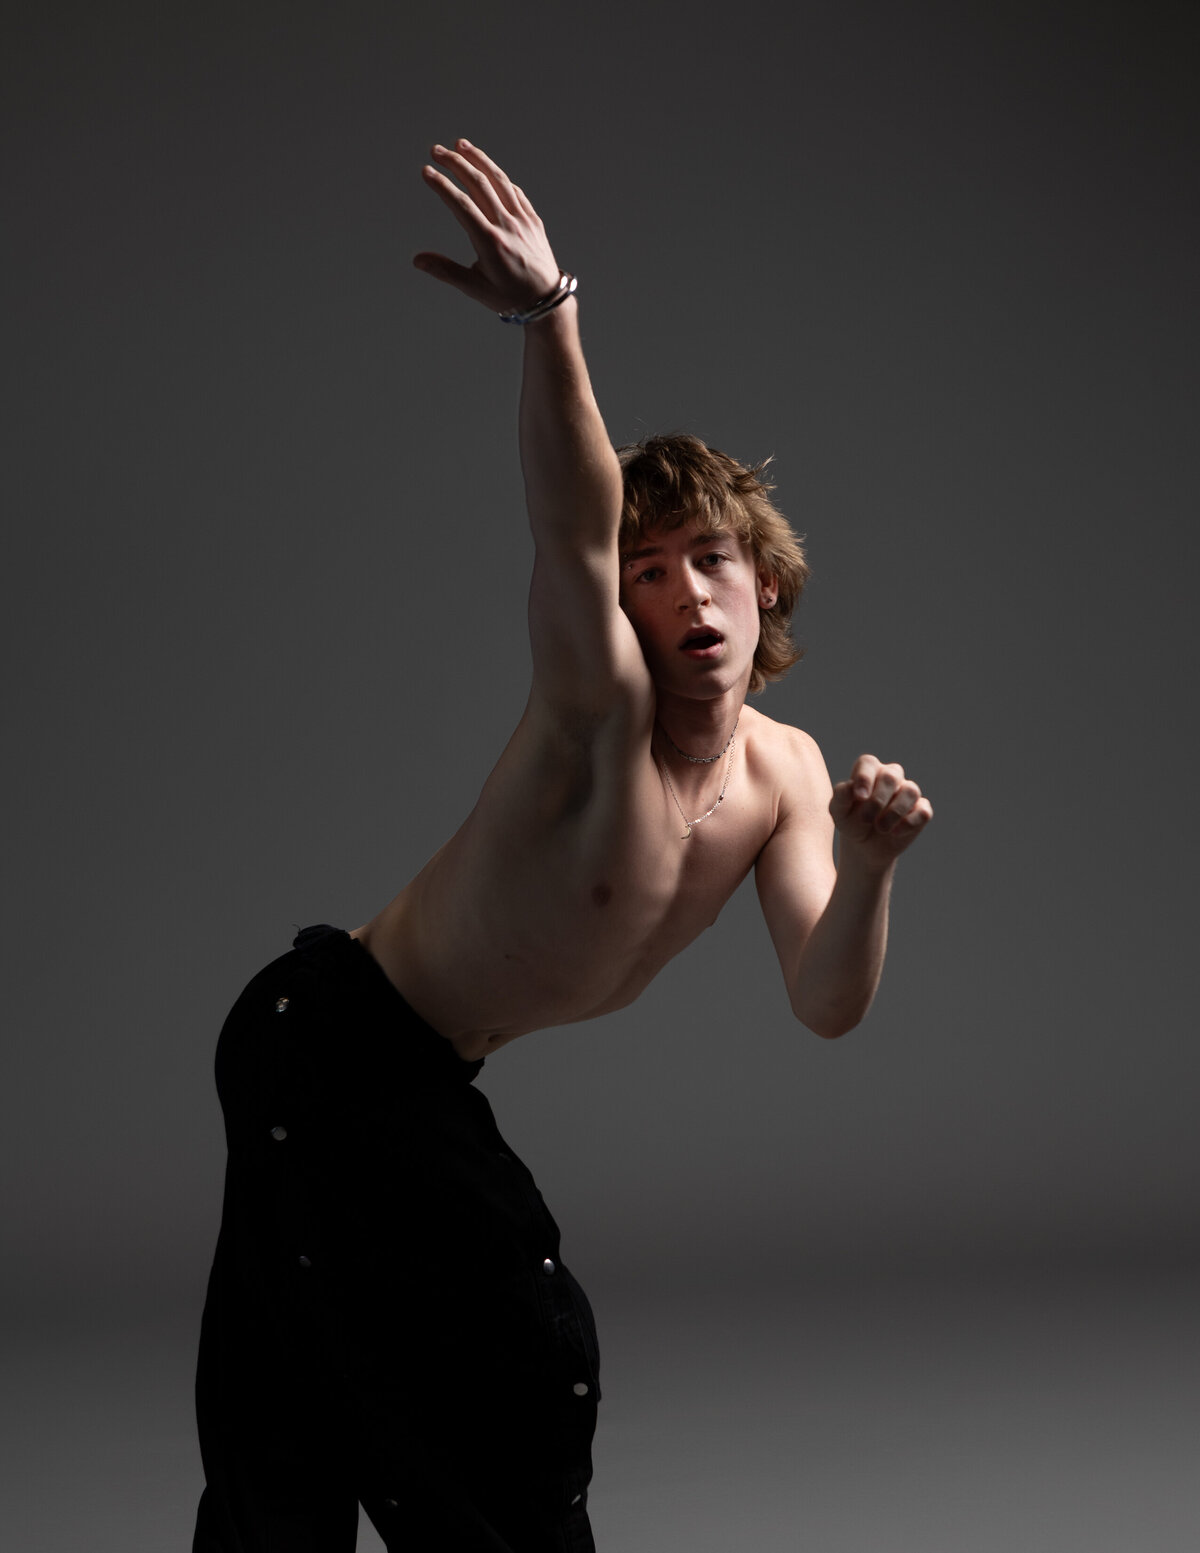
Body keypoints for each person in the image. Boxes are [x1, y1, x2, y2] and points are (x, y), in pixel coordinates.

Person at [192, 139, 933, 1553]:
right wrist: (550, 318)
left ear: (763, 581)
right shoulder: (599, 712)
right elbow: (570, 515)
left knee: (296, 1412)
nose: (685, 594)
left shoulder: (787, 775)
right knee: (506, 1347)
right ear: (622, 608)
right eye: (650, 573)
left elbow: (826, 1001)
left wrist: (873, 864)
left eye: (709, 558)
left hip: (388, 1063)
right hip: (330, 1038)